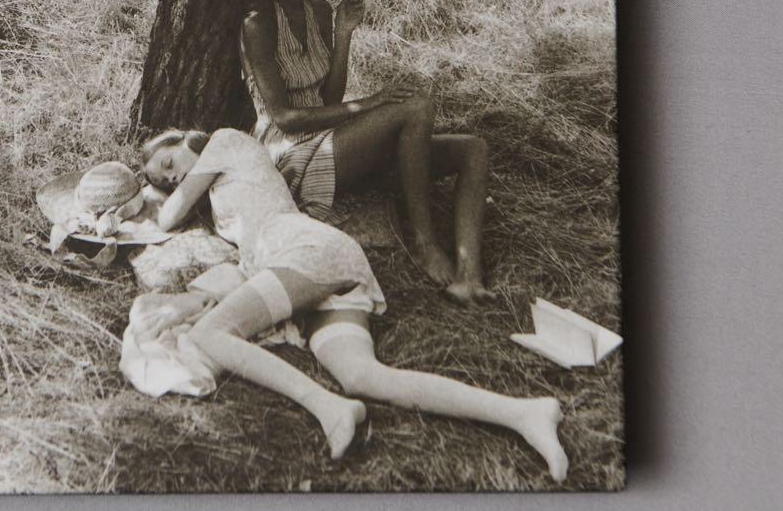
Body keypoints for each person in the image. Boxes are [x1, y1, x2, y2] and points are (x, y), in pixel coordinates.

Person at [137, 127, 568, 481]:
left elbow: (169, 216)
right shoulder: (222, 189)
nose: (173, 179)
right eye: (165, 180)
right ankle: (523, 413)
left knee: (210, 332)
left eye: (169, 164)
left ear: (184, 138)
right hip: (312, 265)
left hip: (306, 249)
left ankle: (326, 406)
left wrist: (141, 200)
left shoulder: (225, 140)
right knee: (362, 376)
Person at [239, 0, 493, 301]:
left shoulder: (319, 10)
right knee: (415, 106)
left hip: (331, 140)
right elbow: (284, 117)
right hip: (289, 154)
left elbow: (329, 97)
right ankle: (424, 244)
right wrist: (369, 104)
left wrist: (343, 35)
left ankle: (469, 276)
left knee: (473, 150)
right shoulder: (260, 20)